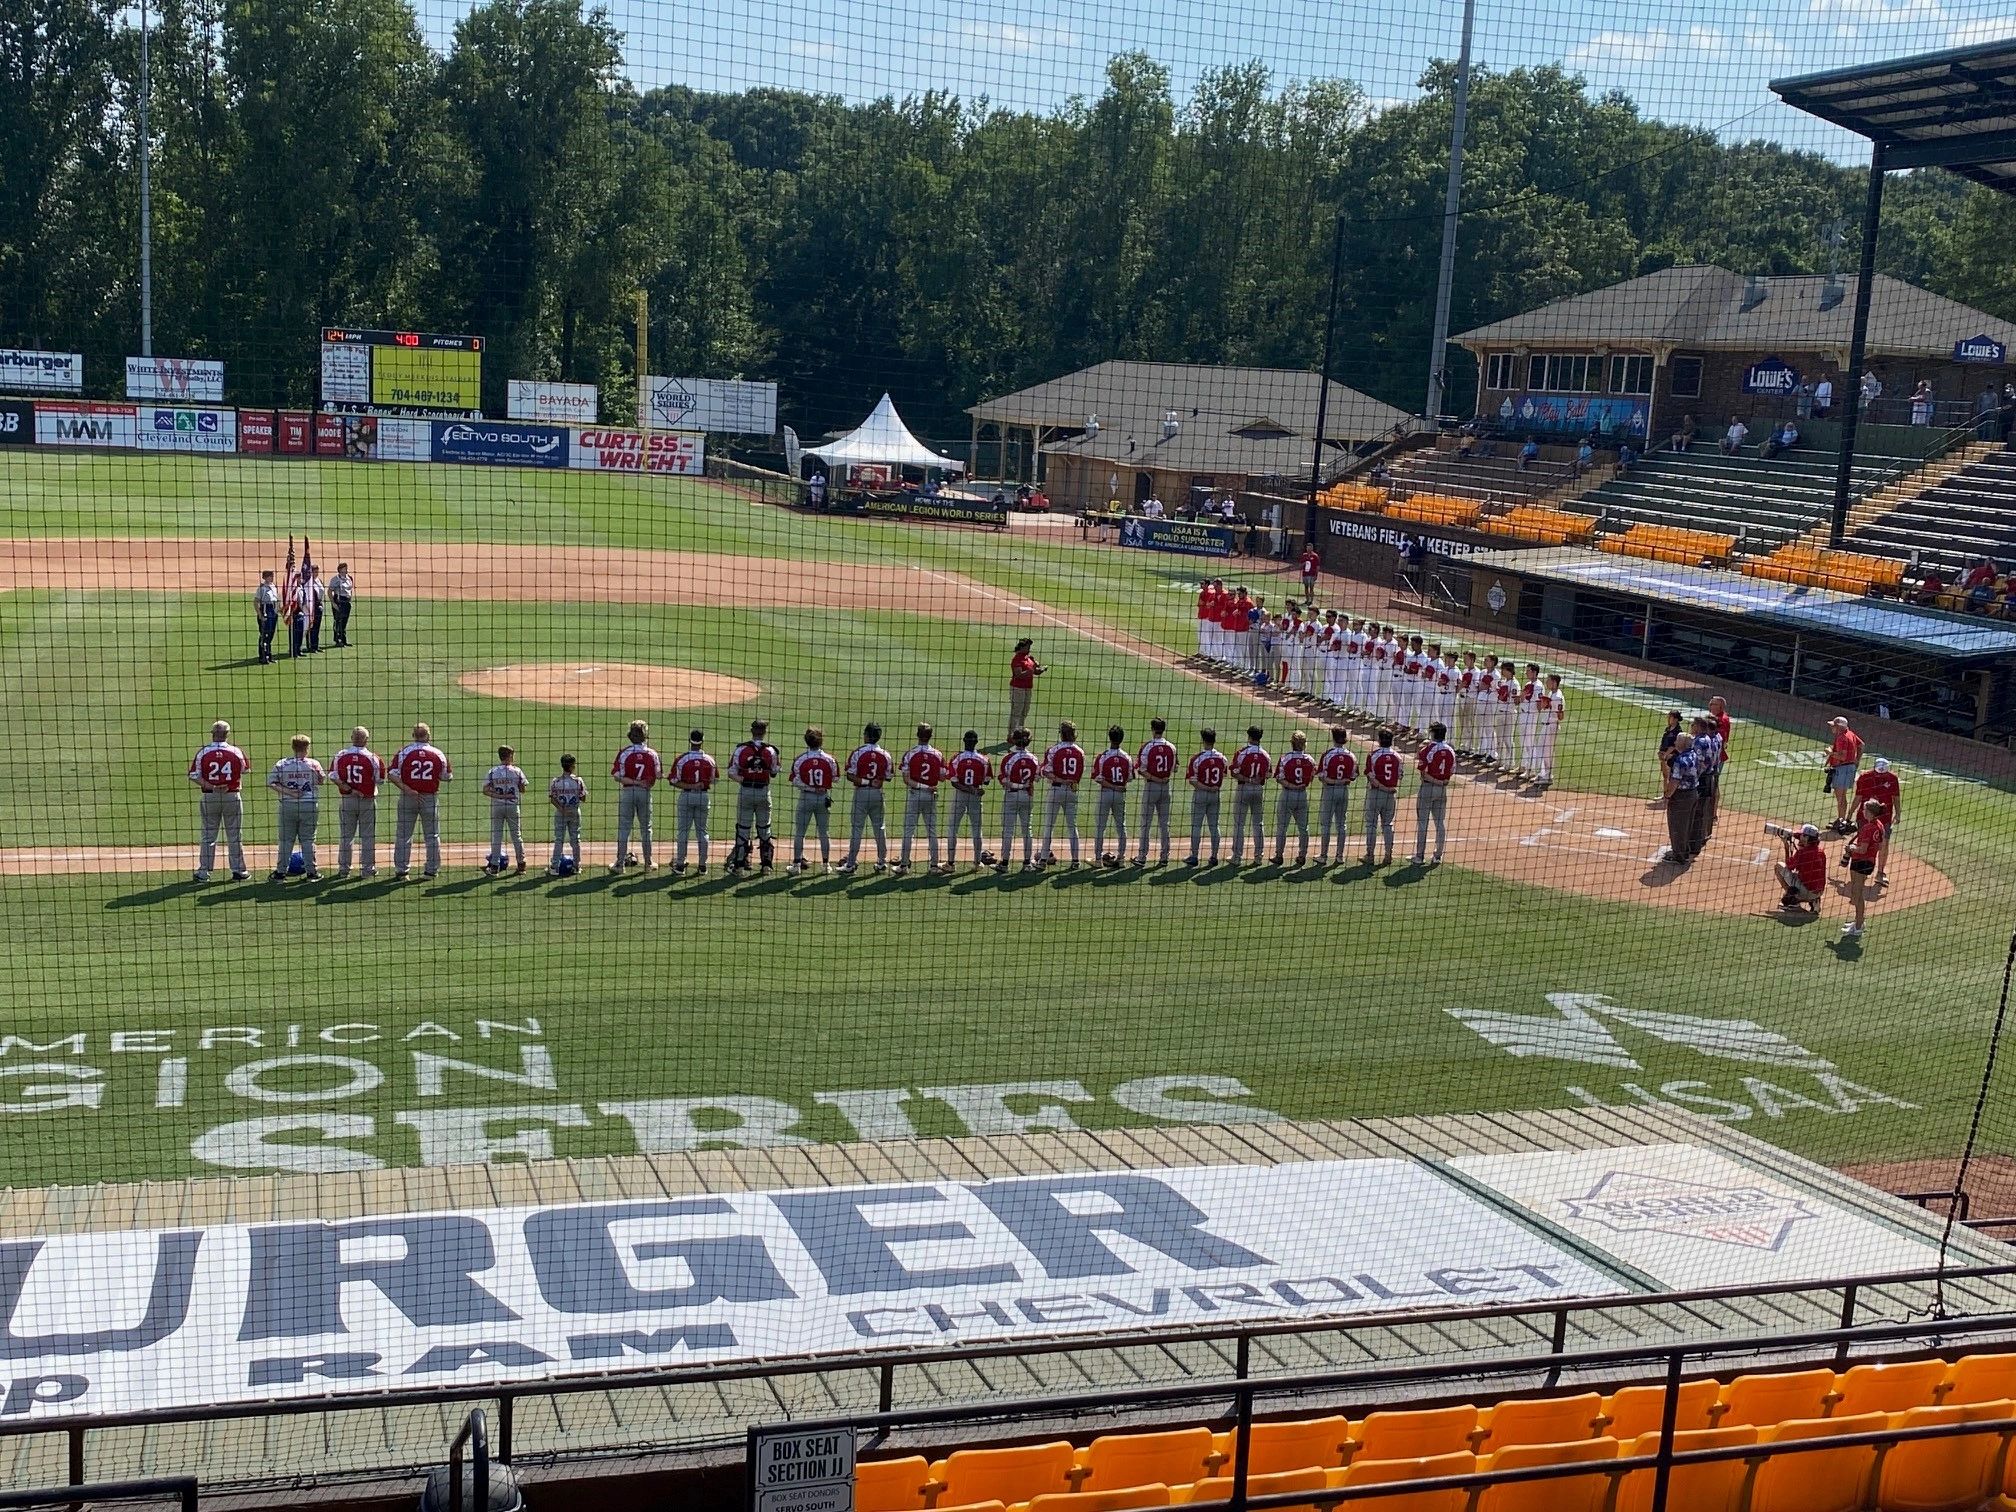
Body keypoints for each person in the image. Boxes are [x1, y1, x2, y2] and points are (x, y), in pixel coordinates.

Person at [189, 721, 251, 883]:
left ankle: (203, 872)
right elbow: (245, 769)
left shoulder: (203, 752)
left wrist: (211, 786)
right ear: (227, 734)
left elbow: (194, 775)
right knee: (234, 834)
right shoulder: (236, 751)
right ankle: (238, 871)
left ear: (212, 734)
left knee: (208, 835)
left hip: (210, 796)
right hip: (232, 796)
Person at [389, 722, 452, 881]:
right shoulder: (438, 753)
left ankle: (402, 871)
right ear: (428, 736)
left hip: (408, 798)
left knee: (403, 835)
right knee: (432, 835)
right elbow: (447, 777)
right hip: (429, 798)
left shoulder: (404, 752)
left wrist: (407, 789)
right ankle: (431, 871)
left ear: (413, 735)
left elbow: (391, 774)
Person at [267, 734, 326, 880]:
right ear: (307, 748)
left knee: (286, 840)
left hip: (288, 805)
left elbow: (272, 783)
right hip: (309, 805)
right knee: (308, 839)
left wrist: (289, 792)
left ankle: (280, 872)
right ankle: (312, 872)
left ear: (293, 747)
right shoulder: (314, 764)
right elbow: (321, 780)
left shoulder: (281, 764)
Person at [726, 720, 780, 872]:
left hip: (746, 791)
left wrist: (743, 779)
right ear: (764, 731)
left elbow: (731, 771)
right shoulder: (771, 750)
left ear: (752, 731)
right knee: (765, 829)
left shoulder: (741, 749)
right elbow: (775, 772)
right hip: (763, 792)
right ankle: (767, 866)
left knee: (743, 829)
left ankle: (739, 867)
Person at [331, 726, 384, 879]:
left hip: (347, 800)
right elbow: (380, 780)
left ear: (351, 737)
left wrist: (348, 789)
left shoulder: (341, 755)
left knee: (346, 836)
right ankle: (367, 870)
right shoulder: (373, 758)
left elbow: (333, 776)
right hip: (367, 801)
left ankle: (344, 870)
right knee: (367, 836)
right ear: (366, 740)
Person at [610, 720, 661, 873]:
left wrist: (633, 781)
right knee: (646, 828)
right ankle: (648, 863)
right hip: (644, 793)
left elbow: (617, 776)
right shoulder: (652, 753)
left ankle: (619, 864)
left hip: (627, 792)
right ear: (645, 735)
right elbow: (658, 775)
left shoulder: (625, 753)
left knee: (624, 828)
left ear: (630, 736)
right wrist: (646, 782)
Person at [897, 723, 947, 873]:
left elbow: (906, 779)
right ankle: (934, 865)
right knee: (931, 830)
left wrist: (921, 784)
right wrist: (929, 782)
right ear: (930, 736)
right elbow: (943, 777)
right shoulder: (938, 755)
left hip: (914, 794)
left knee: (909, 830)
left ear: (917, 735)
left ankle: (904, 865)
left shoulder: (910, 754)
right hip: (930, 795)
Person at [789, 728, 840, 874]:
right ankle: (826, 865)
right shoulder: (830, 759)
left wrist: (810, 787)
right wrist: (822, 786)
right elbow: (836, 779)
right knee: (824, 832)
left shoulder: (801, 759)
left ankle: (797, 865)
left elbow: (794, 780)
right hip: (823, 797)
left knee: (800, 832)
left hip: (806, 797)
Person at [1039, 720, 1086, 866]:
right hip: (1072, 791)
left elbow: (1045, 771)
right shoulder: (1080, 752)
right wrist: (1069, 781)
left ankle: (1042, 860)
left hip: (1056, 789)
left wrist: (1060, 779)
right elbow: (1079, 774)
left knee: (1049, 826)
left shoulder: (1053, 750)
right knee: (1072, 826)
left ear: (1061, 734)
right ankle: (1075, 861)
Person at [671, 730, 718, 874]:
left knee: (683, 831)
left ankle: (680, 865)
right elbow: (714, 780)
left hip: (686, 796)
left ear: (689, 740)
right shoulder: (709, 760)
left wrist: (690, 785)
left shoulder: (682, 759)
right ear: (702, 740)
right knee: (702, 831)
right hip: (703, 797)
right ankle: (702, 866)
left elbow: (673, 781)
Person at [1841, 799, 1888, 938]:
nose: (1862, 811)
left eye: (1865, 810)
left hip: (1861, 861)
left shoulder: (1869, 827)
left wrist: (1851, 848)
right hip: (1869, 862)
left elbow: (1862, 849)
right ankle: (1858, 921)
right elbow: (1879, 846)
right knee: (1857, 892)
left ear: (1870, 812)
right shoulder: (1879, 825)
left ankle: (1859, 925)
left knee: (1857, 893)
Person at [1133, 718, 1177, 865]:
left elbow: (1140, 769)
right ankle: (1164, 857)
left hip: (1152, 787)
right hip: (1166, 787)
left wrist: (1154, 778)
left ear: (1152, 729)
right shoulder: (1171, 747)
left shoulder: (1147, 747)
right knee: (1164, 823)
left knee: (1146, 823)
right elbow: (1175, 768)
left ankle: (1142, 857)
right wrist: (1163, 778)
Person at [945, 731, 991, 869]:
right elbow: (987, 781)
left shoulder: (956, 758)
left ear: (964, 740)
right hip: (976, 796)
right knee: (977, 829)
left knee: (953, 828)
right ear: (976, 742)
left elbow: (953, 781)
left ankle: (951, 863)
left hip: (960, 794)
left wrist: (967, 788)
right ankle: (977, 863)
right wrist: (974, 789)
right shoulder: (984, 759)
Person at [481, 745, 528, 876]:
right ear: (510, 756)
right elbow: (523, 789)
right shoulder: (517, 771)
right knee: (516, 835)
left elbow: (485, 790)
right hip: (513, 806)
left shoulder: (493, 771)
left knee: (496, 836)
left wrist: (499, 796)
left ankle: (494, 867)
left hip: (497, 806)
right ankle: (521, 865)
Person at [1853, 756, 1901, 884]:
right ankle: (1860, 870)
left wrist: (1898, 813)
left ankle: (1880, 872)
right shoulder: (1864, 777)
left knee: (1884, 843)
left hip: (1885, 818)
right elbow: (1858, 796)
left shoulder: (1892, 779)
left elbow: (1896, 797)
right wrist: (1850, 813)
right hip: (1864, 817)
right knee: (1862, 843)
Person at [1184, 728, 1228, 865]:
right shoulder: (1222, 758)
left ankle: (1194, 856)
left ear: (1203, 741)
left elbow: (1192, 780)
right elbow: (1224, 775)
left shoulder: (1197, 758)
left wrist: (1206, 787)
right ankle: (1214, 857)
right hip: (1216, 794)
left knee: (1196, 826)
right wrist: (1213, 787)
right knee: (1214, 826)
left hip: (1201, 794)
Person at [1412, 721, 1454, 864]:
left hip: (1428, 788)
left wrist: (1436, 781)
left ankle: (1419, 856)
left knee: (1423, 823)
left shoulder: (1428, 749)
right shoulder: (1451, 750)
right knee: (1440, 823)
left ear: (1432, 733)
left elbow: (1423, 773)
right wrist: (1442, 783)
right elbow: (1450, 773)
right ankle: (1437, 856)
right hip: (1442, 791)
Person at [997, 727, 1039, 871]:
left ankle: (1004, 864)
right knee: (1027, 829)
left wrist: (1015, 784)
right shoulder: (1033, 758)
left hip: (1012, 795)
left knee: (1008, 830)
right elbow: (1037, 777)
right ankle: (1027, 863)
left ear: (1014, 740)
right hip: (1027, 796)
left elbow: (1002, 780)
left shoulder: (1008, 758)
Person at [1271, 732, 1316, 866]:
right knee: (1303, 828)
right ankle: (1302, 856)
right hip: (1302, 795)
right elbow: (1311, 777)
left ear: (1292, 743)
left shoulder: (1285, 758)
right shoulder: (1310, 760)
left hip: (1288, 794)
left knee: (1282, 827)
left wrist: (1291, 785)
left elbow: (1279, 778)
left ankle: (1279, 856)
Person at [1092, 726, 1133, 866]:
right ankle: (1121, 859)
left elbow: (1097, 778)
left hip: (1106, 793)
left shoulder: (1103, 756)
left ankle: (1098, 859)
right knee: (1121, 826)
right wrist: (1118, 786)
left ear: (1110, 738)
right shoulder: (1127, 757)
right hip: (1120, 794)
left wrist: (1111, 785)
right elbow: (1129, 778)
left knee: (1100, 827)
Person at [1316, 727, 1357, 864]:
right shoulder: (1351, 755)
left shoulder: (1327, 754)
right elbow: (1353, 776)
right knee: (1341, 824)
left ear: (1333, 737)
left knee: (1326, 824)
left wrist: (1332, 780)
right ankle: (1340, 856)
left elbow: (1321, 776)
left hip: (1329, 790)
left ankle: (1323, 855)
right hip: (1343, 791)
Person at [1362, 728, 1402, 866]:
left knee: (1371, 825)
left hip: (1375, 793)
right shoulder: (1398, 756)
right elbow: (1400, 775)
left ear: (1379, 740)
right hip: (1390, 795)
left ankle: (1370, 856)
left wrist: (1382, 787)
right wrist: (1389, 788)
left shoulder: (1373, 755)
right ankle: (1388, 855)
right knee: (1388, 825)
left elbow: (1370, 776)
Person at [1686, 715, 1722, 858]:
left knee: (1695, 812)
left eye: (1693, 725)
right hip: (1709, 776)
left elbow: (1699, 763)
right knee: (1702, 811)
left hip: (1701, 779)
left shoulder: (1701, 741)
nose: (1691, 727)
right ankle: (1701, 838)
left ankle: (1692, 845)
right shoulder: (1716, 738)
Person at [1662, 731, 1699, 865]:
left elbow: (1674, 782)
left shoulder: (1680, 760)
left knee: (1677, 825)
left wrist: (1667, 796)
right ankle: (1684, 850)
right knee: (1687, 824)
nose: (1675, 742)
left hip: (1681, 797)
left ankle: (1679, 855)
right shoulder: (1693, 754)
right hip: (1693, 793)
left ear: (1682, 744)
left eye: (1677, 740)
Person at [1774, 823, 1828, 914]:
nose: (1800, 836)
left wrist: (1786, 847)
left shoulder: (1802, 852)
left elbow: (1790, 866)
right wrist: (1793, 834)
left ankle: (1794, 900)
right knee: (1806, 876)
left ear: (1806, 838)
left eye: (1802, 835)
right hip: (1819, 891)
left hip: (1806, 891)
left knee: (1779, 866)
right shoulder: (1821, 852)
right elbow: (1802, 838)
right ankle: (1815, 901)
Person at [547, 754, 586, 876]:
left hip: (561, 812)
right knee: (575, 839)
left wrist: (561, 808)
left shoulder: (556, 781)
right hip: (574, 811)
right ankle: (577, 866)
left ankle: (554, 867)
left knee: (559, 839)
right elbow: (583, 798)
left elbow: (552, 799)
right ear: (573, 766)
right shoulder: (578, 781)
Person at [1822, 715, 1863, 831]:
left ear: (1839, 727)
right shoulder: (1850, 734)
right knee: (1842, 796)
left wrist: (1830, 753)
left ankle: (1841, 822)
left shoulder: (1842, 738)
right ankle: (1841, 820)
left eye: (1833, 726)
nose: (1832, 728)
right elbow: (1861, 745)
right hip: (1848, 768)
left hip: (1842, 768)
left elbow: (1842, 756)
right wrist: (1857, 760)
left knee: (1840, 797)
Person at [1008, 639, 1045, 743]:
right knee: (1016, 712)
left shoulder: (1029, 658)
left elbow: (1035, 672)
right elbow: (1019, 674)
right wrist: (1032, 670)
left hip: (1028, 688)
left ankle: (1020, 733)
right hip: (1018, 688)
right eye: (1027, 647)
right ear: (1022, 647)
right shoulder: (1017, 659)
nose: (1029, 649)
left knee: (1024, 711)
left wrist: (1040, 669)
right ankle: (1011, 735)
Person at [1532, 672, 1566, 785]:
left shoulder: (1558, 697)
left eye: (1548, 681)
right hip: (1545, 725)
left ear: (1554, 682)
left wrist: (1553, 710)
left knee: (1547, 752)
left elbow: (1561, 717)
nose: (1546, 683)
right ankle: (1543, 773)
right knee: (1541, 749)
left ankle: (1548, 776)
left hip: (1551, 726)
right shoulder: (1551, 693)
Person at [254, 570, 280, 665]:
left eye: (272, 576)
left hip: (273, 611)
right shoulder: (262, 588)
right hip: (265, 611)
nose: (272, 577)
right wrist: (260, 615)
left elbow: (276, 600)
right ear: (264, 577)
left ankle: (269, 655)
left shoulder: (274, 586)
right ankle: (263, 657)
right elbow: (256, 602)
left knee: (271, 635)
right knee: (264, 635)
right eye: (269, 576)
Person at [1656, 710, 1682, 806]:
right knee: (1665, 775)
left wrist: (1666, 754)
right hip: (1664, 755)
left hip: (1671, 757)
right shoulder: (1668, 729)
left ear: (1675, 719)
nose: (1668, 719)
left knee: (1671, 776)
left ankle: (1669, 796)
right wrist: (1660, 752)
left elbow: (1674, 745)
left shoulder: (1678, 731)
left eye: (1670, 717)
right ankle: (1664, 794)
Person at [329, 562, 355, 647]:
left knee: (344, 621)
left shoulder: (349, 578)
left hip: (347, 601)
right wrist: (333, 603)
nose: (346, 570)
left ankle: (344, 640)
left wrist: (350, 599)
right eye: (344, 568)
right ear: (340, 570)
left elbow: (350, 590)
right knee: (338, 621)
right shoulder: (335, 579)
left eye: (346, 568)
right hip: (339, 601)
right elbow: (329, 591)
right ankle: (338, 640)